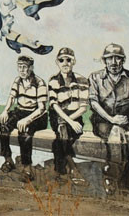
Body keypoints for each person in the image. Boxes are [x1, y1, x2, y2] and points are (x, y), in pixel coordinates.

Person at [89, 43, 129, 196]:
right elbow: (94, 103)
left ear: (123, 60)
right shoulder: (95, 77)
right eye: (110, 58)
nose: (114, 62)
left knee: (125, 136)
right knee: (117, 132)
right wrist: (111, 119)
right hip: (103, 120)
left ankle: (112, 175)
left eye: (118, 58)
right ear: (104, 60)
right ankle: (122, 180)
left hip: (128, 121)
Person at [0, 55, 48, 180]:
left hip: (36, 115)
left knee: (24, 132)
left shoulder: (39, 83)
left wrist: (27, 120)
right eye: (19, 67)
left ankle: (27, 168)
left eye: (24, 67)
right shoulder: (18, 80)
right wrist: (5, 111)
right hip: (20, 111)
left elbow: (42, 108)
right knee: (3, 126)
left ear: (31, 68)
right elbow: (11, 98)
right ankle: (8, 160)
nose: (21, 70)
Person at [48, 47, 89, 183]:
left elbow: (83, 107)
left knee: (58, 141)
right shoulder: (53, 80)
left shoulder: (82, 80)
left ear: (74, 61)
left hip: (75, 115)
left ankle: (60, 172)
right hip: (57, 115)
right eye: (61, 60)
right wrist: (68, 122)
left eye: (68, 60)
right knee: (62, 130)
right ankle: (73, 168)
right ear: (57, 62)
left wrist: (69, 120)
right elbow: (54, 105)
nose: (65, 63)